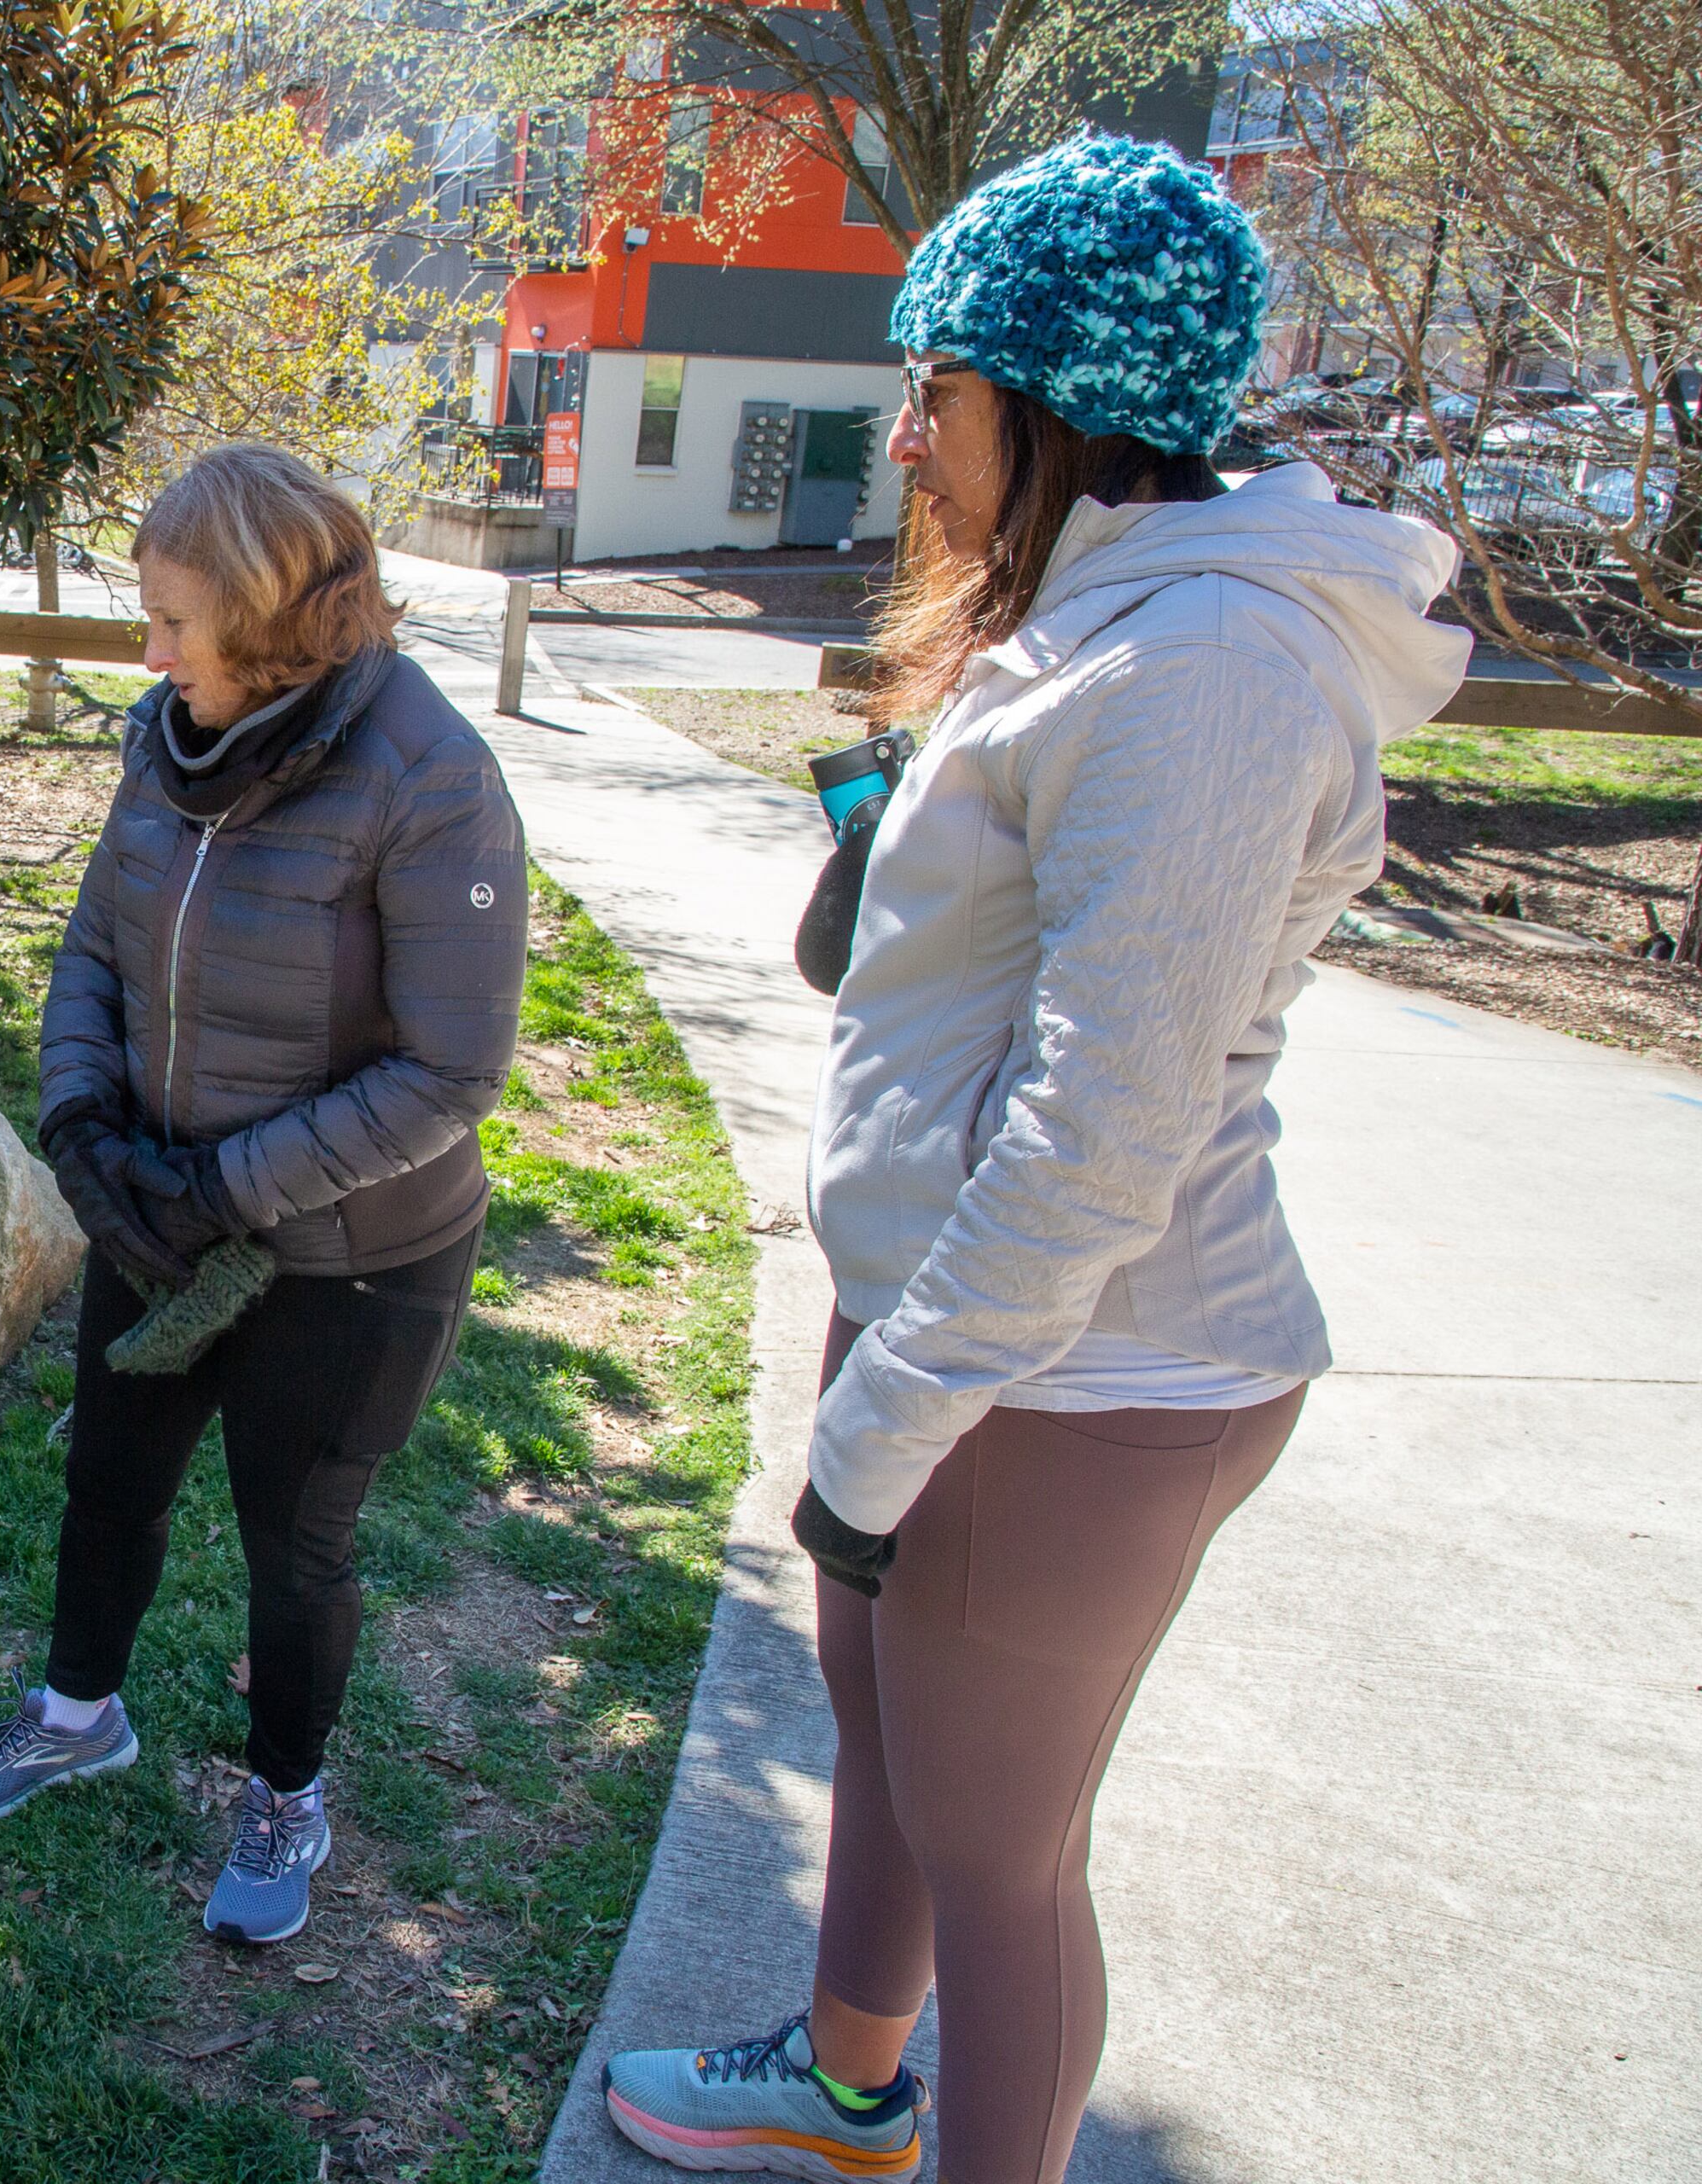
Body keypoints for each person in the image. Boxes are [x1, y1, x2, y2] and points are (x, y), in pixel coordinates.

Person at [600, 138, 1470, 2182]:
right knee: (895, 1752)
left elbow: (1101, 1138)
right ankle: (840, 2096)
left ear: (1062, 406)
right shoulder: (1102, 618)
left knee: (1006, 1857)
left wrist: (889, 1416)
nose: (909, 436)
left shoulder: (1207, 672)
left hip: (1077, 1375)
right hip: (952, 1331)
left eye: (941, 389)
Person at [0, 444, 530, 1946]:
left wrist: (225, 1186)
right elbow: (95, 948)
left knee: (295, 1539)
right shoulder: (171, 741)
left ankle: (284, 1793)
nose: (151, 652)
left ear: (264, 625)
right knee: (110, 1480)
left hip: (347, 1255)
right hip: (160, 1207)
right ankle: (77, 1717)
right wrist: (80, 1124)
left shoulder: (431, 776)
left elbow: (453, 1073)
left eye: (176, 623)